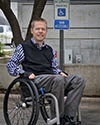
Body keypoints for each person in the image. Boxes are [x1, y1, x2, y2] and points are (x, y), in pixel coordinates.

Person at [7, 18, 85, 125]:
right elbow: (11, 65)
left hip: (53, 79)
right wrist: (23, 73)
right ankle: (58, 118)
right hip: (35, 80)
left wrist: (59, 72)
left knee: (79, 80)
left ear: (46, 31)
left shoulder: (49, 49)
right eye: (37, 29)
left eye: (43, 29)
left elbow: (53, 68)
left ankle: (68, 117)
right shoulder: (23, 47)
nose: (40, 31)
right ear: (32, 31)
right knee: (58, 79)